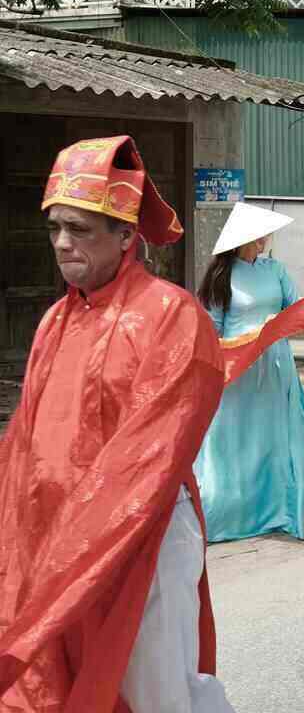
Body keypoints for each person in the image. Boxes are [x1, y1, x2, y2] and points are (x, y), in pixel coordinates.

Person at [0, 135, 234, 711]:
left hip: (142, 538)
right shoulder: (55, 321)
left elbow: (150, 454)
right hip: (58, 544)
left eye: (79, 229)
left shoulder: (172, 315)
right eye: (55, 227)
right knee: (64, 680)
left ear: (126, 235)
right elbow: (25, 447)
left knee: (156, 690)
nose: (61, 243)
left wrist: (81, 543)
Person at [194, 201, 304, 541]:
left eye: (265, 237)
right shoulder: (221, 276)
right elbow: (212, 328)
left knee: (277, 435)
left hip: (275, 365)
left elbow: (297, 308)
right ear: (241, 239)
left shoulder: (276, 271)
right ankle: (230, 509)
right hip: (237, 367)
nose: (263, 243)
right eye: (258, 237)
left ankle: (284, 505)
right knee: (234, 439)